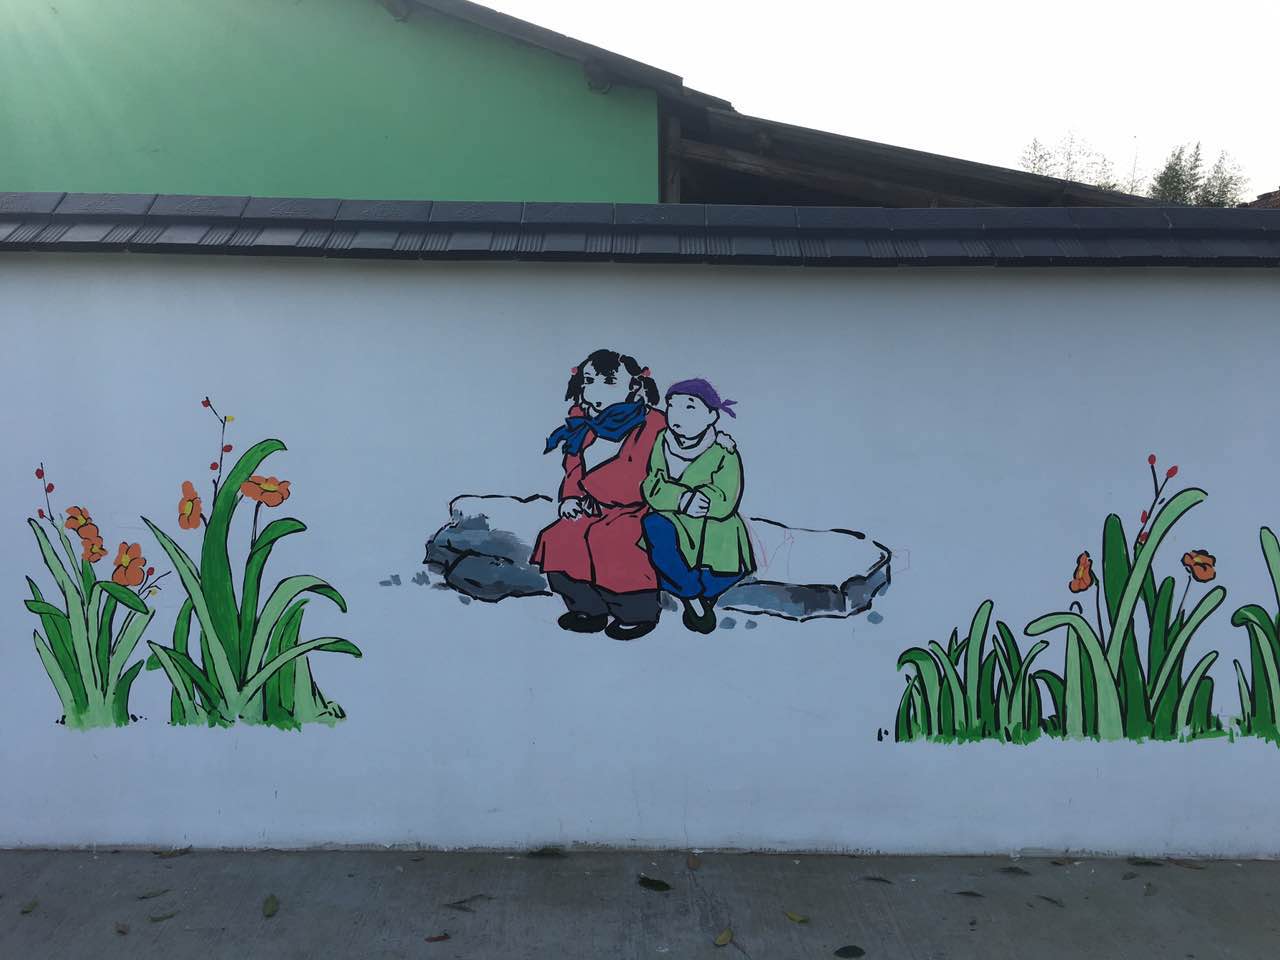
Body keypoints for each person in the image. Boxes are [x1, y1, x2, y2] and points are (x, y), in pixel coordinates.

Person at [532, 349, 665, 641]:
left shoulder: (652, 423)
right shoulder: (582, 420)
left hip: (636, 506)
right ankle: (587, 609)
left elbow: (637, 471)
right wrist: (570, 496)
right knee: (560, 536)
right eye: (589, 381)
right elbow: (573, 463)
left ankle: (635, 612)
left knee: (613, 540)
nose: (593, 390)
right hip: (589, 503)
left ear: (634, 386)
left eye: (608, 382)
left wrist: (597, 493)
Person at [640, 379, 755, 634]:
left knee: (718, 574)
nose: (677, 415)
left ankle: (700, 599)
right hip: (672, 520)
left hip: (712, 529)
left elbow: (726, 498)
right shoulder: (662, 441)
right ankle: (691, 596)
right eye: (672, 406)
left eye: (689, 407)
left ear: (711, 416)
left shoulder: (724, 451)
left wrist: (701, 500)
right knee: (654, 526)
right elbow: (652, 484)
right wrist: (681, 499)